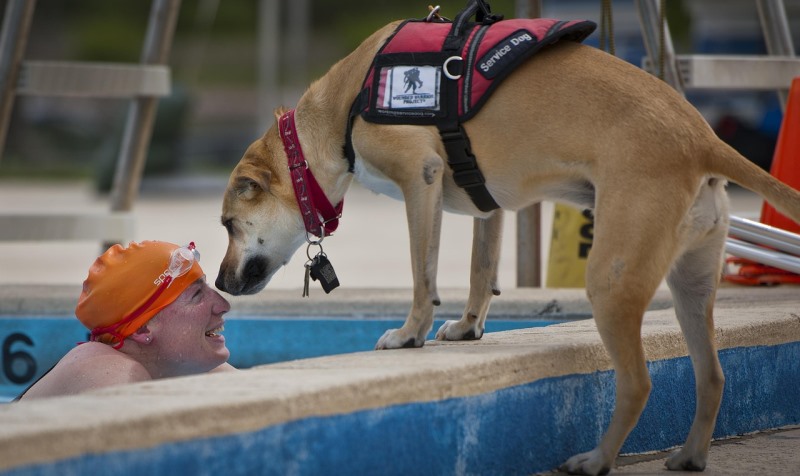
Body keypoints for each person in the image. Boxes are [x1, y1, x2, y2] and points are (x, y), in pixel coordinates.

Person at [16, 240, 235, 400]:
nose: (224, 306)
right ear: (142, 329)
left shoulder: (195, 367)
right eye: (197, 296)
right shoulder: (110, 374)